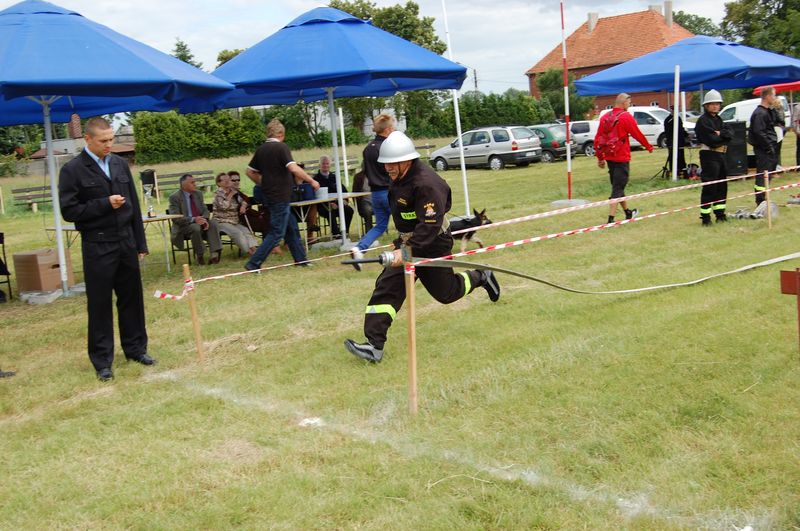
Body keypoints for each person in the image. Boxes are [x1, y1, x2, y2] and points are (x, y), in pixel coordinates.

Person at [344, 131, 501, 363]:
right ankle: (374, 346)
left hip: (433, 243)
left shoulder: (427, 185)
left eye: (392, 164)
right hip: (409, 240)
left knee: (447, 293)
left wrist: (403, 252)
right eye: (385, 164)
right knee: (388, 286)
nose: (387, 169)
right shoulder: (397, 176)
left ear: (406, 159)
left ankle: (481, 276)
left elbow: (428, 228)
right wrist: (401, 245)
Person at [58, 117, 156, 381]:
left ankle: (136, 349)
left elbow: (134, 205)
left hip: (126, 241)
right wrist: (104, 204)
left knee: (131, 299)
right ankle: (102, 361)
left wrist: (140, 242)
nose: (109, 145)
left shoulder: (119, 164)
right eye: (103, 141)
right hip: (98, 244)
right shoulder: (73, 170)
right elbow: (69, 211)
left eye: (111, 139)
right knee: (100, 304)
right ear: (87, 139)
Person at [244, 119, 319, 270]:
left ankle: (301, 260)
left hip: (272, 195)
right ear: (281, 134)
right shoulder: (281, 148)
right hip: (280, 196)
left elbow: (249, 172)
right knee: (277, 233)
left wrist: (262, 183)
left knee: (292, 228)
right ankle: (254, 263)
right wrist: (311, 180)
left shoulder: (261, 149)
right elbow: (294, 169)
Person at [594, 93, 654, 224]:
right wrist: (648, 146)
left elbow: (598, 139)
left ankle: (628, 212)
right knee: (617, 188)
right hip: (622, 158)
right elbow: (637, 134)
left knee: (618, 186)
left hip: (610, 157)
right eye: (629, 102)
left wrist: (600, 158)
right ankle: (611, 219)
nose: (630, 105)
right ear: (623, 102)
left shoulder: (605, 117)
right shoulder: (626, 117)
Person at [349, 113, 396, 270]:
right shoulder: (387, 147)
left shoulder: (368, 149)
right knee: (407, 225)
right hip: (389, 192)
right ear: (388, 129)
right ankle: (406, 256)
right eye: (393, 127)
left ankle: (359, 248)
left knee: (380, 226)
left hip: (374, 194)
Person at [694, 90, 732, 225]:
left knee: (722, 185)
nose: (715, 106)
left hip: (721, 154)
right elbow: (712, 140)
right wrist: (722, 136)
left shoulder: (719, 119)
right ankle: (705, 217)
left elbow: (730, 134)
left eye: (717, 103)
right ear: (706, 105)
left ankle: (720, 214)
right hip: (709, 155)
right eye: (712, 104)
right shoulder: (703, 121)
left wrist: (720, 133)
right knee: (710, 186)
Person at [169, 174, 223, 265]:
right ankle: (200, 255)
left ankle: (214, 253)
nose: (195, 184)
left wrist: (204, 219)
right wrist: (194, 219)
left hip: (200, 221)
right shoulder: (175, 197)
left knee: (213, 223)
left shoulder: (198, 194)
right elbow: (176, 218)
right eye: (192, 182)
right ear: (184, 185)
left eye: (195, 182)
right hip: (185, 225)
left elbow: (205, 210)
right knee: (195, 227)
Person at [213, 172, 258, 255]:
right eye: (224, 180)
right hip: (222, 221)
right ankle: (249, 252)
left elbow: (244, 200)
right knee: (237, 233)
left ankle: (255, 250)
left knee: (245, 231)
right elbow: (223, 206)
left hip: (234, 220)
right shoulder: (218, 194)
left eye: (228, 179)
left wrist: (243, 206)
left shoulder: (233, 192)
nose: (227, 181)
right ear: (219, 183)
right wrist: (230, 195)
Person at [750, 86, 779, 206]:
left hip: (770, 148)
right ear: (767, 96)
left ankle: (764, 198)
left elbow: (777, 122)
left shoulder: (767, 111)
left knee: (768, 174)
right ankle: (760, 201)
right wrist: (768, 147)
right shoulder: (759, 113)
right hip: (764, 150)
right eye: (773, 95)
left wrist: (775, 108)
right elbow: (759, 132)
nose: (775, 97)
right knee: (763, 175)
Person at [313, 155, 354, 237]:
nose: (325, 165)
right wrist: (330, 204)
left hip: (338, 204)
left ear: (330, 165)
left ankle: (345, 232)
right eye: (323, 164)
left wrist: (344, 201)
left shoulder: (335, 177)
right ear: (320, 165)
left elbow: (344, 191)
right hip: (322, 206)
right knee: (330, 210)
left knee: (349, 210)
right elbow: (315, 196)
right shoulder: (316, 179)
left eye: (327, 163)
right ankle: (336, 233)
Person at [664, 110, 689, 178]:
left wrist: (686, 135)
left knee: (681, 158)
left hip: (680, 142)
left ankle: (682, 171)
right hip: (672, 143)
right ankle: (674, 172)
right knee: (673, 158)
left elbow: (681, 129)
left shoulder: (678, 118)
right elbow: (668, 132)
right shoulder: (668, 120)